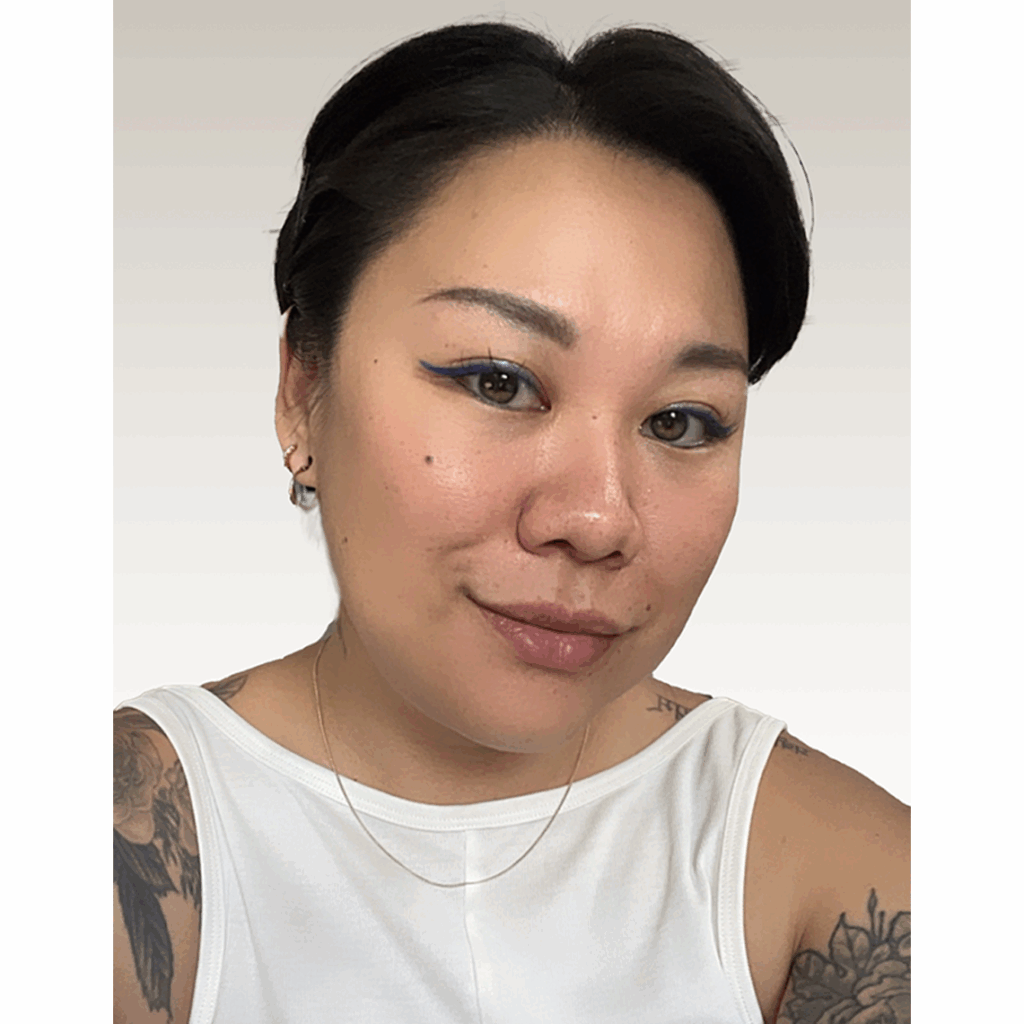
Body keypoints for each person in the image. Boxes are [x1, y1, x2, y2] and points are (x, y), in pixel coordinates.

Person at [113, 22, 909, 1024]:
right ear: (302, 389)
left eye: (679, 421)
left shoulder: (846, 882)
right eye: (499, 381)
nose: (596, 518)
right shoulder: (124, 846)